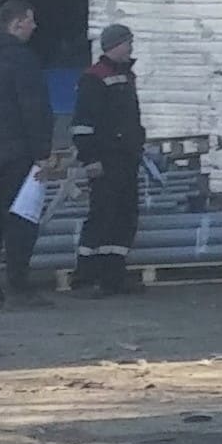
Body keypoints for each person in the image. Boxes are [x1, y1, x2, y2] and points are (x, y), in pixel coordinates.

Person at [0, 0, 57, 309]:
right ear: (17, 23)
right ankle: (19, 286)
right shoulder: (21, 59)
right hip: (20, 152)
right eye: (30, 20)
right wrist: (42, 152)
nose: (34, 26)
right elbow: (33, 108)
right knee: (22, 220)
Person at [68, 23, 148, 296]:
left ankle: (113, 275)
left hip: (126, 159)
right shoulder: (94, 78)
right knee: (102, 215)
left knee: (124, 216)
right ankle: (85, 277)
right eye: (128, 42)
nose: (131, 47)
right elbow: (82, 125)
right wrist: (90, 159)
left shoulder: (125, 76)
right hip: (105, 160)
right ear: (116, 45)